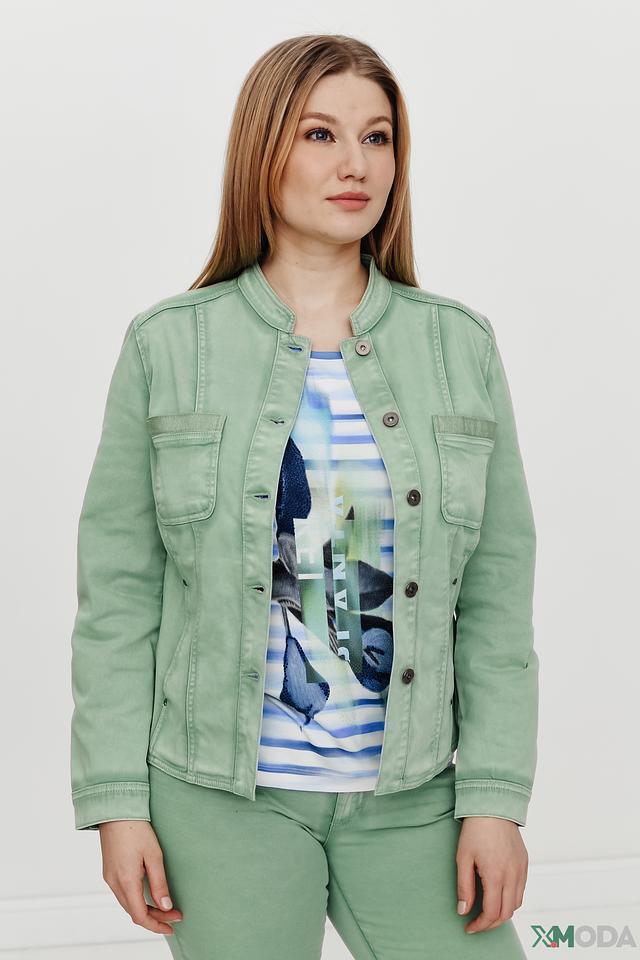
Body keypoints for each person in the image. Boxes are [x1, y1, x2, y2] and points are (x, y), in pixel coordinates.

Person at [70, 33, 539, 959]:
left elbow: (496, 597)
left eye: (377, 136)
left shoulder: (458, 348)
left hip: (413, 798)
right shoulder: (171, 346)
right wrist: (117, 801)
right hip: (220, 802)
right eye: (321, 134)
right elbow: (117, 597)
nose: (355, 164)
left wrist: (494, 795)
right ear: (265, 149)